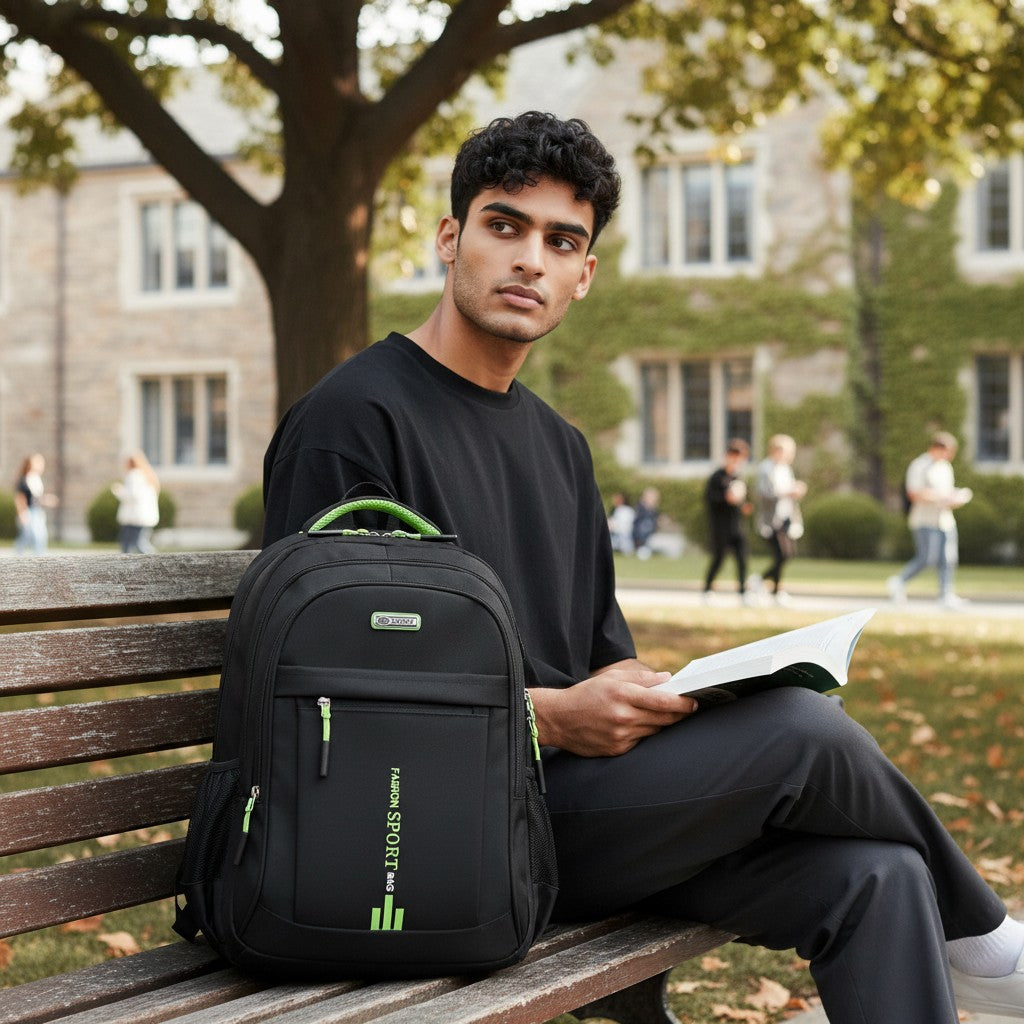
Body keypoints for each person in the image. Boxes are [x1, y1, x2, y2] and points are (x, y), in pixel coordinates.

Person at [262, 111, 1024, 1024]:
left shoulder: (559, 446)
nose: (528, 260)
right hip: (425, 831)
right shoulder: (354, 420)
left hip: (568, 817)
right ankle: (992, 945)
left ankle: (968, 942)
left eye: (561, 241)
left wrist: (652, 692)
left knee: (880, 872)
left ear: (584, 276)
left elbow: (596, 654)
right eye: (504, 226)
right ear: (450, 238)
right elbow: (331, 701)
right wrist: (552, 716)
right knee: (802, 734)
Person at [888, 432, 972, 609]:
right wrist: (940, 498)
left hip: (945, 520)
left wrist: (956, 498)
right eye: (946, 452)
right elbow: (914, 493)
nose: (948, 457)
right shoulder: (920, 465)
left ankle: (946, 595)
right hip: (925, 520)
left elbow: (947, 493)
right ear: (936, 448)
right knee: (927, 557)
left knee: (948, 558)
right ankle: (898, 581)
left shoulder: (945, 467)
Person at [754, 434, 806, 604]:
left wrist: (796, 491)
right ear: (777, 450)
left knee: (787, 554)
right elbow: (764, 494)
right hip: (771, 519)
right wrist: (788, 492)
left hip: (785, 517)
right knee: (782, 554)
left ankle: (768, 586)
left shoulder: (785, 469)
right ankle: (770, 587)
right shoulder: (766, 468)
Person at [702, 439, 752, 601]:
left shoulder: (738, 477)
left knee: (742, 558)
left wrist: (743, 505)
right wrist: (726, 498)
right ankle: (708, 589)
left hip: (736, 525)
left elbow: (740, 501)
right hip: (720, 525)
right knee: (719, 558)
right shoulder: (717, 477)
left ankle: (743, 591)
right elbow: (710, 498)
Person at [111, 450, 161, 554]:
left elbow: (133, 495)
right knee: (138, 544)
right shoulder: (146, 475)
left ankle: (157, 560)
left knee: (133, 545)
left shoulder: (134, 475)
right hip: (143, 517)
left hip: (135, 518)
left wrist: (119, 491)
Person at [13, 453, 55, 554]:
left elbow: (36, 498)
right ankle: (18, 556)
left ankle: (39, 557)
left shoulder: (36, 479)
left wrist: (47, 500)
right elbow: (20, 498)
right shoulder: (24, 480)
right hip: (28, 511)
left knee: (38, 535)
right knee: (32, 536)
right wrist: (22, 513)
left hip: (37, 511)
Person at [631, 486, 660, 559]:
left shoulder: (653, 511)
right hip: (642, 540)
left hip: (650, 538)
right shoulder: (640, 510)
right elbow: (637, 528)